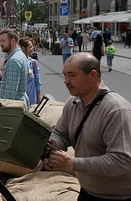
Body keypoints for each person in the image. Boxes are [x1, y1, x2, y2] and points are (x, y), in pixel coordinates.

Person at [46, 53, 131, 200]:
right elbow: (61, 133)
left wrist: (73, 163)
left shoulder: (116, 109)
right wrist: (53, 144)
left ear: (92, 75)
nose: (66, 81)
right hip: (87, 191)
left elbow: (121, 160)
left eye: (72, 75)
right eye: (65, 75)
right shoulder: (73, 103)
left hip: (119, 196)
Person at [0, 29, 29, 104]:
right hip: (18, 104)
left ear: (13, 41)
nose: (0, 44)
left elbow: (9, 96)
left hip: (12, 109)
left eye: (3, 41)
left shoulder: (14, 60)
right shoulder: (20, 55)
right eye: (0, 41)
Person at [19, 36, 42, 106]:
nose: (32, 49)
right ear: (23, 48)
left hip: (32, 100)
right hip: (19, 101)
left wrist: (39, 97)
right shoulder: (16, 62)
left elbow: (37, 81)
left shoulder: (33, 62)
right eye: (30, 47)